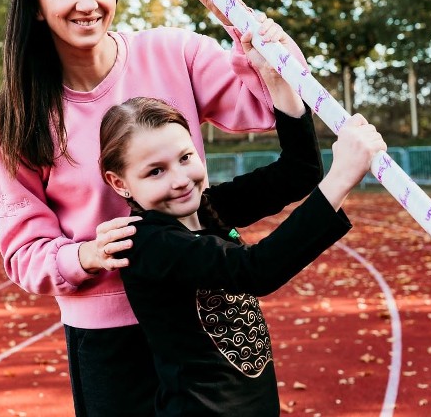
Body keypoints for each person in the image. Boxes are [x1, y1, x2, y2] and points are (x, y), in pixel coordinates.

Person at [0, 0, 311, 415]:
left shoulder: (175, 51)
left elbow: (268, 105)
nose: (87, 2)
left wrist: (233, 17)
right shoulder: (13, 124)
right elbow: (23, 254)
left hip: (200, 313)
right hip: (109, 339)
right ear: (35, 5)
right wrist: (85, 255)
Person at [98, 94, 386, 414]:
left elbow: (299, 171)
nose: (180, 180)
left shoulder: (207, 207)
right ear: (119, 182)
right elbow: (255, 270)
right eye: (155, 172)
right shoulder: (145, 242)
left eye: (185, 157)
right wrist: (342, 176)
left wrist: (279, 85)